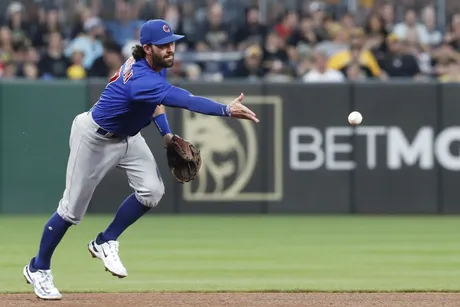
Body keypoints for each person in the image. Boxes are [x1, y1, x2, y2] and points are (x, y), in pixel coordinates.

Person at [22, 19, 259, 300]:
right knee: (71, 212)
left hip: (128, 137)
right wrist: (225, 110)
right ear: (147, 48)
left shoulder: (151, 69)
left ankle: (105, 240)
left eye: (172, 43)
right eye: (163, 45)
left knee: (152, 191)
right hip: (94, 138)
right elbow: (183, 99)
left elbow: (155, 105)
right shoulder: (141, 78)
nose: (171, 49)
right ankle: (38, 268)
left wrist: (167, 136)